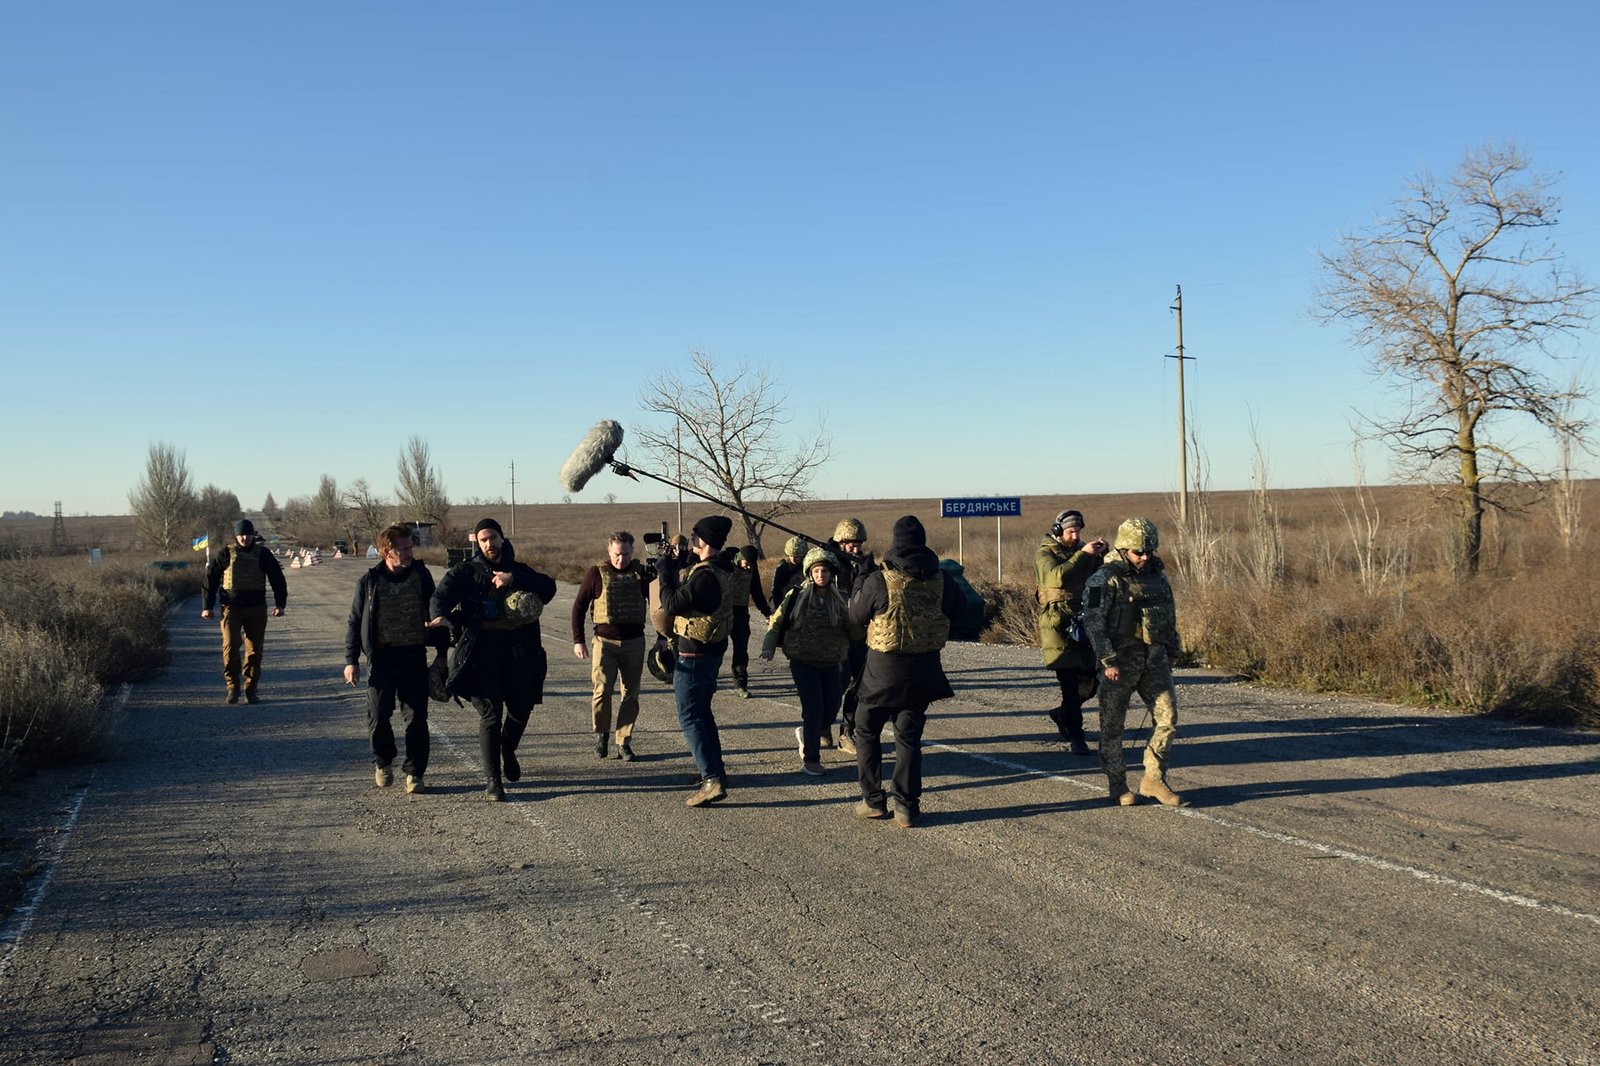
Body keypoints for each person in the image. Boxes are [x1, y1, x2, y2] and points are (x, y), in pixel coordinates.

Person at [847, 515, 965, 828]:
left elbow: (856, 615)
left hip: (881, 674)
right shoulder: (942, 579)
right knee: (909, 739)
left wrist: (861, 578)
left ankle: (873, 800)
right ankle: (907, 808)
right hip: (924, 671)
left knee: (866, 730)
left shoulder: (878, 580)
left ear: (896, 543)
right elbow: (960, 611)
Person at [429, 519, 556, 801]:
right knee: (490, 714)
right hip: (481, 653)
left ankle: (508, 748)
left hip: (519, 652)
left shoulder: (519, 570)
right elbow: (441, 596)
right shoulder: (465, 572)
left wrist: (515, 579)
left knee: (521, 708)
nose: (490, 544)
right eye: (484, 539)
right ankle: (493, 781)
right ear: (478, 542)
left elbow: (548, 588)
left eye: (494, 538)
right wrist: (439, 614)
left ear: (502, 538)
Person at [1081, 517, 1184, 807]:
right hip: (1119, 664)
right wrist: (1107, 660)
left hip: (1154, 660)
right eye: (1139, 552)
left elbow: (1169, 611)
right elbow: (1093, 623)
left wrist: (1173, 647)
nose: (1145, 557)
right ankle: (1118, 784)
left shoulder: (1156, 574)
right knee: (1112, 728)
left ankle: (1153, 778)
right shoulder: (1103, 579)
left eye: (1149, 551)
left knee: (1168, 720)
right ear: (1124, 548)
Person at [343, 523, 448, 793]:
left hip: (413, 656)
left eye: (410, 547)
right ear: (386, 551)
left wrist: (441, 654)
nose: (409, 552)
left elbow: (435, 613)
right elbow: (355, 622)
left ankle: (415, 773)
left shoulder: (421, 576)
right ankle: (383, 761)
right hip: (381, 659)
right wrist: (351, 660)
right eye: (403, 548)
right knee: (378, 715)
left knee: (416, 718)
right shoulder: (369, 581)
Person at [658, 515, 735, 808]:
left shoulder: (704, 576)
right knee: (703, 714)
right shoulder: (721, 568)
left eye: (694, 538)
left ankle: (711, 779)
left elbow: (672, 604)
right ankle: (716, 772)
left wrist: (665, 571)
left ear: (703, 541)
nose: (691, 542)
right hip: (710, 654)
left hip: (694, 656)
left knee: (690, 717)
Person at [761, 547, 858, 776]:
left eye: (824, 571)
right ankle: (811, 759)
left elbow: (853, 631)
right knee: (813, 709)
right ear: (809, 573)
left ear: (831, 573)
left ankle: (808, 734)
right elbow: (776, 622)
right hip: (802, 660)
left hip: (831, 661)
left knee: (832, 707)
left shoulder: (841, 598)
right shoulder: (796, 596)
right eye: (816, 571)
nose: (820, 575)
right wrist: (768, 645)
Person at [571, 531, 654, 761]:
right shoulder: (596, 573)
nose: (621, 559)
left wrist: (662, 637)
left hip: (634, 642)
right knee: (602, 691)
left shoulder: (641, 575)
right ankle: (602, 735)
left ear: (632, 551)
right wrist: (578, 640)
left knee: (631, 695)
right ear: (609, 551)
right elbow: (579, 607)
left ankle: (624, 742)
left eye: (626, 554)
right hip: (604, 642)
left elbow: (658, 607)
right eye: (617, 554)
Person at [1035, 509, 1109, 756]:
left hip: (1084, 622)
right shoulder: (1045, 553)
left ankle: (1063, 713)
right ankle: (1078, 737)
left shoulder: (1083, 552)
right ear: (1058, 531)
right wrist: (1082, 554)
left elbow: (1097, 583)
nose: (1074, 535)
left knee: (1091, 682)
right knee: (1069, 684)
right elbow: (1055, 577)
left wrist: (1101, 556)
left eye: (1077, 531)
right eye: (1070, 532)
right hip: (1058, 626)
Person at [201, 518, 287, 704]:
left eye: (247, 534)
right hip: (231, 609)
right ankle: (232, 686)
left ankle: (251, 688)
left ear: (253, 535)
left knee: (254, 651)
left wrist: (280, 605)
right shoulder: (226, 554)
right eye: (241, 534)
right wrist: (207, 606)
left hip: (256, 609)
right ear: (236, 536)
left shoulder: (263, 554)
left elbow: (277, 579)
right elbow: (211, 580)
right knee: (230, 647)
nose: (244, 538)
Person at [827, 518, 878, 754]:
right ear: (839, 542)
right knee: (834, 686)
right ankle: (820, 725)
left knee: (859, 685)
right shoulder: (826, 564)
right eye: (850, 544)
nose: (855, 549)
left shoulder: (864, 566)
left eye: (859, 544)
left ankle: (847, 732)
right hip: (834, 635)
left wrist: (871, 572)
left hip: (858, 634)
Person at [725, 545, 772, 698]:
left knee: (741, 650)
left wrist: (766, 612)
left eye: (752, 564)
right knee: (716, 647)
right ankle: (709, 679)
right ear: (740, 558)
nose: (749, 566)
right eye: (747, 563)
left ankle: (740, 684)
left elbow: (756, 591)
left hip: (741, 613)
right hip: (723, 611)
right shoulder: (725, 563)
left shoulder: (752, 569)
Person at [768, 535, 807, 606]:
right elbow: (776, 589)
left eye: (797, 557)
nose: (793, 559)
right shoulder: (783, 566)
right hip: (785, 603)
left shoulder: (807, 566)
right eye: (791, 556)